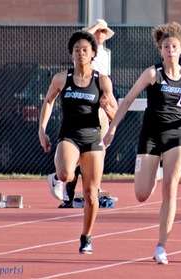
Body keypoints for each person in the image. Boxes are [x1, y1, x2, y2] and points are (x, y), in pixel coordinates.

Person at [103, 22, 181, 264]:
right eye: (166, 46)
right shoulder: (152, 73)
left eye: (174, 46)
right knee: (141, 194)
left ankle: (161, 246)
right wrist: (112, 128)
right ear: (160, 50)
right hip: (150, 135)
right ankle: (155, 171)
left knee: (171, 188)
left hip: (176, 135)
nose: (170, 50)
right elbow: (126, 101)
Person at [38, 30, 118, 253]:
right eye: (76, 50)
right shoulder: (62, 78)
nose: (80, 53)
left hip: (93, 139)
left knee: (91, 195)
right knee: (65, 175)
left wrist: (107, 107)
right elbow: (48, 102)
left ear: (93, 53)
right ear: (71, 54)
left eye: (85, 50)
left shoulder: (101, 80)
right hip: (69, 135)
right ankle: (58, 175)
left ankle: (87, 237)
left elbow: (115, 114)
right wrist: (41, 130)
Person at [49, 19, 115, 208]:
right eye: (99, 31)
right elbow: (80, 38)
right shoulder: (83, 48)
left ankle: (93, 185)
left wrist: (109, 103)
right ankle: (64, 186)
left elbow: (105, 79)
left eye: (104, 31)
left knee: (98, 147)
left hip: (98, 100)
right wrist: (92, 29)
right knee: (81, 146)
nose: (101, 34)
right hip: (81, 100)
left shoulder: (105, 53)